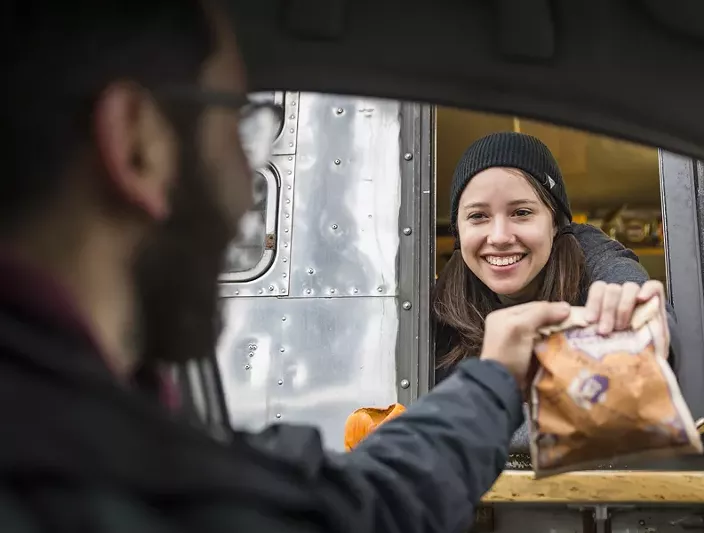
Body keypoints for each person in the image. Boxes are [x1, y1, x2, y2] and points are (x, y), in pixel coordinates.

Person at [1, 2, 580, 532]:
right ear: (137, 143)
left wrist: (494, 380)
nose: (248, 192)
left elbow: (361, 504)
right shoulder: (112, 473)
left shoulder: (92, 439)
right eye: (238, 120)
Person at [432, 133, 679, 455]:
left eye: (521, 212)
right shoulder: (436, 305)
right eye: (478, 216)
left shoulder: (595, 260)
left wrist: (641, 322)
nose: (500, 236)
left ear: (554, 224)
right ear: (459, 231)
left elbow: (639, 302)